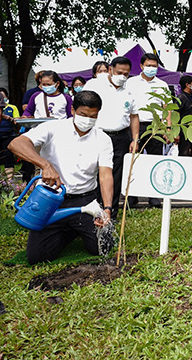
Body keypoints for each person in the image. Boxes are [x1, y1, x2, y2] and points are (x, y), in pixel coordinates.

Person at [8, 91, 114, 264]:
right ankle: (67, 230)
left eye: (93, 116)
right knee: (38, 257)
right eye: (83, 114)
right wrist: (45, 165)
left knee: (103, 247)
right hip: (51, 201)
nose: (87, 120)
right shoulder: (52, 128)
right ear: (72, 110)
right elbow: (16, 144)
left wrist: (107, 208)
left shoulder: (103, 139)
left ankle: (76, 227)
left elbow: (105, 175)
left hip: (85, 201)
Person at [83, 56, 139, 217]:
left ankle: (110, 212)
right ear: (110, 69)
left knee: (116, 176)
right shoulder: (95, 85)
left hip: (120, 137)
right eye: (119, 72)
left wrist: (135, 139)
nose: (122, 76)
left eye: (126, 74)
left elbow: (134, 116)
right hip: (97, 135)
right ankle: (92, 210)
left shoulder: (130, 90)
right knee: (93, 172)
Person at [125, 53, 170, 207]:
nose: (152, 68)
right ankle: (132, 196)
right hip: (134, 126)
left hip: (155, 127)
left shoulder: (162, 85)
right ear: (142, 66)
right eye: (149, 65)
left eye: (154, 66)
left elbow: (167, 108)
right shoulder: (130, 83)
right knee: (133, 161)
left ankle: (154, 197)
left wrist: (167, 128)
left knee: (155, 161)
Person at [0, 87, 20, 179]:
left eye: (3, 96)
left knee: (8, 157)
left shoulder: (12, 107)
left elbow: (17, 121)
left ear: (7, 96)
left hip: (9, 135)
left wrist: (8, 118)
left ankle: (9, 181)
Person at [176, 75, 192, 156]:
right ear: (187, 85)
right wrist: (176, 133)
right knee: (184, 151)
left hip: (191, 129)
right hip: (183, 130)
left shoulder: (189, 97)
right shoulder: (181, 98)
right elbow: (176, 114)